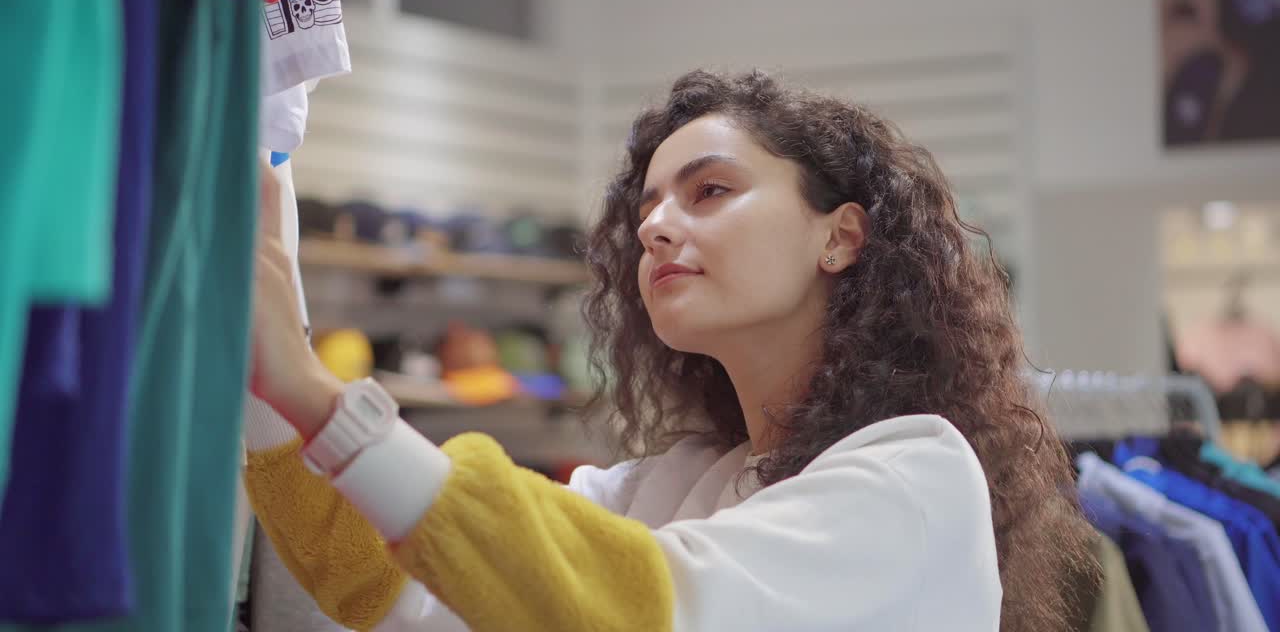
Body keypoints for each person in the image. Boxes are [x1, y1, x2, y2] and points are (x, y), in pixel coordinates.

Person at [245, 70, 1097, 632]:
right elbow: (409, 594)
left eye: (711, 190)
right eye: (647, 205)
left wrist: (318, 394)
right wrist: (265, 390)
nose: (654, 226)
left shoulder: (918, 479)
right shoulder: (672, 485)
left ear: (840, 237)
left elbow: (636, 602)